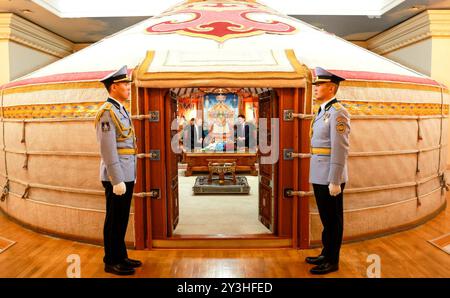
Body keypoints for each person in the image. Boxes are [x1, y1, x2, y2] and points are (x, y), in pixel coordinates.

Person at [95, 65, 142, 275]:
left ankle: (121, 255)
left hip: (126, 172)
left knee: (121, 217)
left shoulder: (120, 109)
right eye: (125, 84)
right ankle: (111, 260)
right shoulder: (106, 113)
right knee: (114, 218)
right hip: (117, 175)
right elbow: (108, 149)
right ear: (114, 87)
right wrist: (116, 179)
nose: (128, 88)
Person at [306, 67, 350, 275]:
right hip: (319, 171)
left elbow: (340, 148)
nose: (315, 89)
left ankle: (333, 260)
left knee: (333, 219)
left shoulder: (338, 112)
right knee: (326, 218)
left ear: (331, 88)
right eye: (315, 85)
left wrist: (335, 180)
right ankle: (326, 252)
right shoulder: (322, 111)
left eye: (319, 85)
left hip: (330, 175)